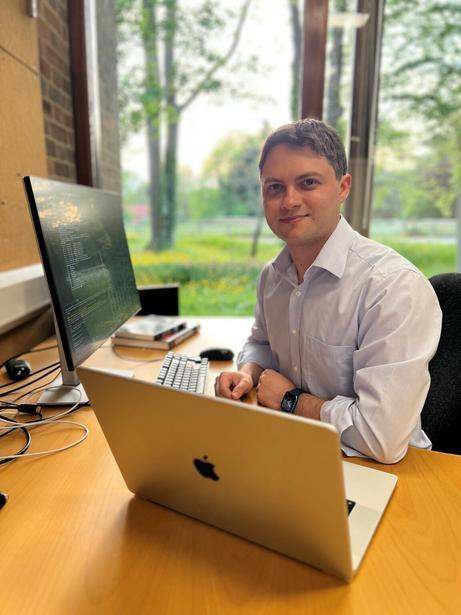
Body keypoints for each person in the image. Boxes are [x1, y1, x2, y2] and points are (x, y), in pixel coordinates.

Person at [215, 118, 442, 464]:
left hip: (382, 469)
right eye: (274, 187)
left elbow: (381, 438)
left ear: (343, 187)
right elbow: (262, 343)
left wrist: (291, 400)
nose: (289, 201)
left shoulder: (392, 287)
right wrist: (247, 373)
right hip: (296, 450)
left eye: (308, 182)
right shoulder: (272, 277)